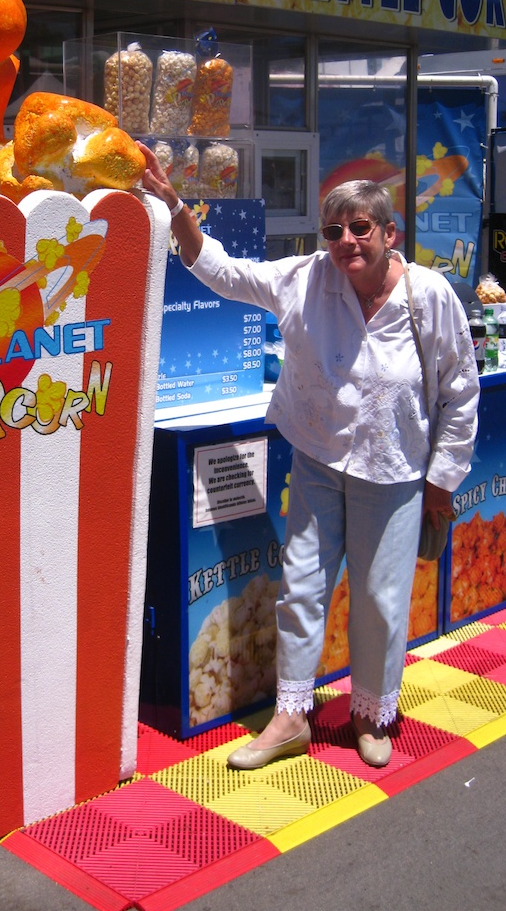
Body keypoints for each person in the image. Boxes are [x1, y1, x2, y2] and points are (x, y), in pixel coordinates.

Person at [139, 145, 480, 769]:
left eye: (360, 228)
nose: (347, 241)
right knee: (300, 590)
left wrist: (442, 481)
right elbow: (222, 270)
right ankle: (292, 717)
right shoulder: (305, 280)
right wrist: (173, 205)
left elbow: (460, 390)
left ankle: (372, 712)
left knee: (379, 598)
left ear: (388, 233)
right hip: (319, 461)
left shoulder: (428, 296)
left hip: (396, 472)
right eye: (334, 231)